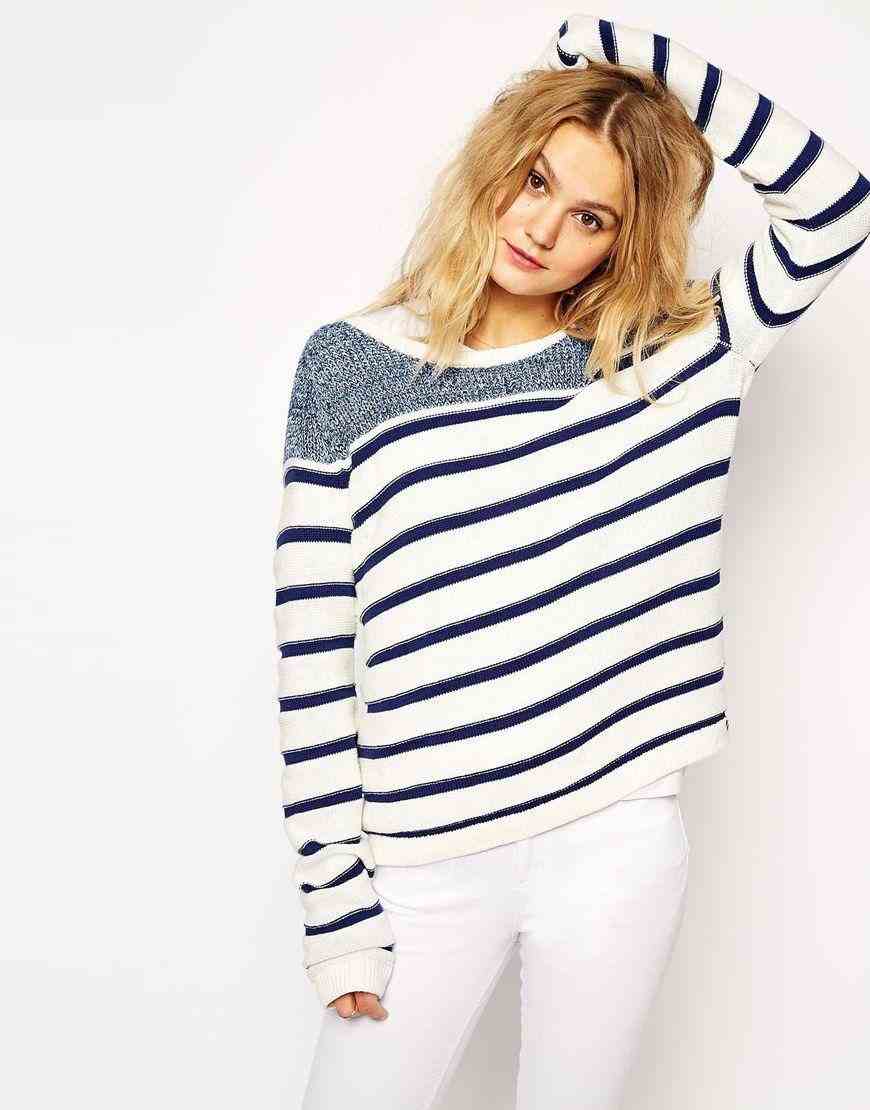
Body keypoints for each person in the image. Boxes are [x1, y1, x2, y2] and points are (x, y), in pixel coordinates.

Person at [273, 12, 869, 1108]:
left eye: (591, 215)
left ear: (621, 242)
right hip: (421, 861)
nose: (542, 227)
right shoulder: (350, 367)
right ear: (497, 164)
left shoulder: (678, 359)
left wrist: (628, 52)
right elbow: (315, 651)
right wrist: (334, 903)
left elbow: (837, 205)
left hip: (615, 844)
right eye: (536, 179)